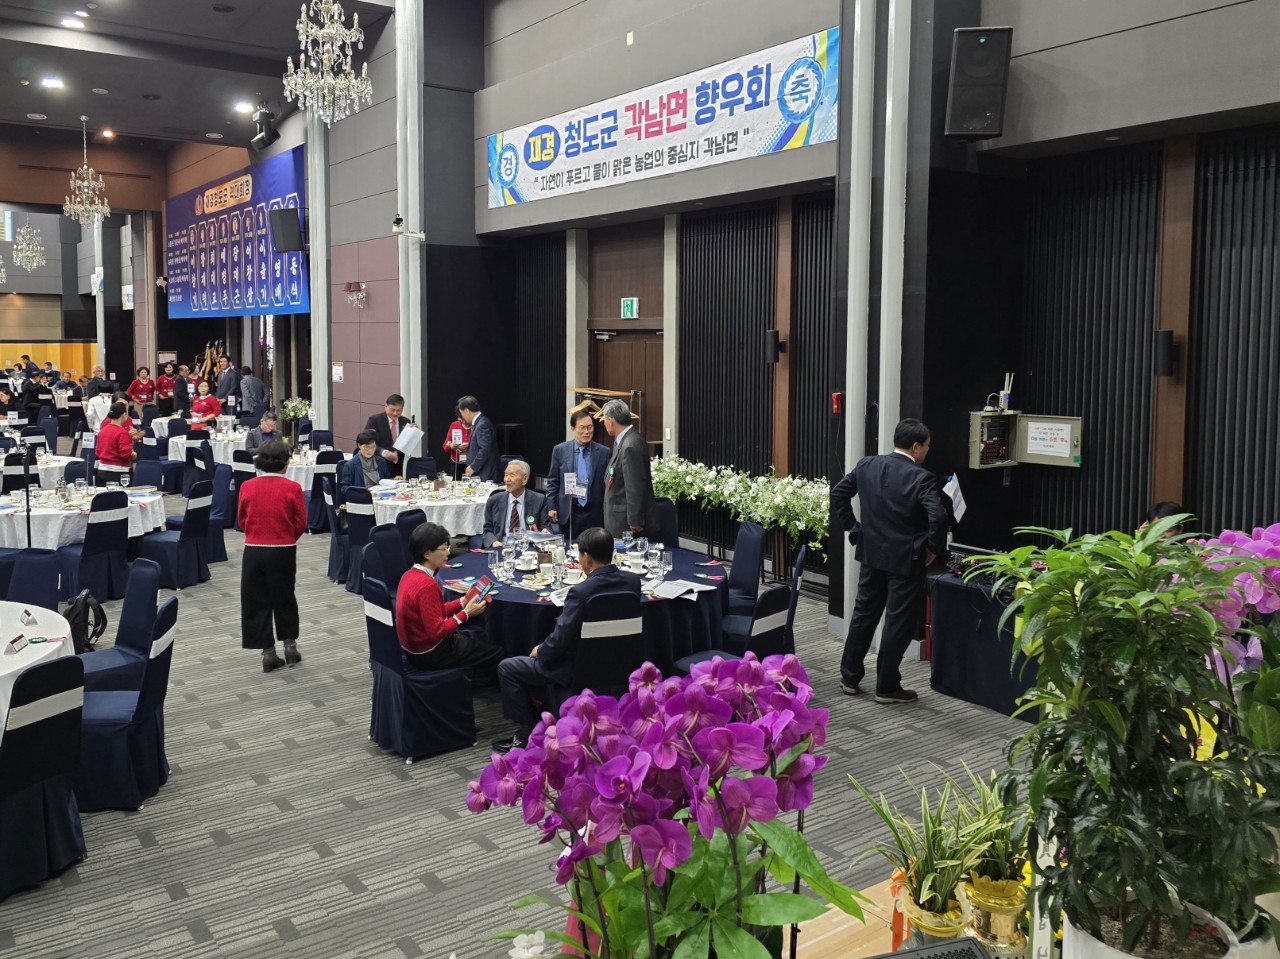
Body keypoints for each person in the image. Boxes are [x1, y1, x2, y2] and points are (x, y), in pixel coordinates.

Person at [832, 418, 950, 705]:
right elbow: (939, 516)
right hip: (907, 560)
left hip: (871, 554)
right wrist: (933, 548)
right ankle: (886, 686)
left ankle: (849, 677)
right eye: (927, 446)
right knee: (897, 621)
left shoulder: (867, 465)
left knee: (864, 614)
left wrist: (855, 529)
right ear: (916, 446)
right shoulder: (922, 478)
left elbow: (839, 494)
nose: (928, 451)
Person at [492, 526, 642, 752]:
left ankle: (526, 733)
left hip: (577, 668)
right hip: (622, 664)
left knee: (507, 668)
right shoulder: (632, 582)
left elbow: (560, 640)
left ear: (586, 557)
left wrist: (541, 650)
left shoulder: (581, 592)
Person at [237, 439, 308, 673]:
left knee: (255, 600)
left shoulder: (247, 486)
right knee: (285, 596)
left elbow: (242, 520)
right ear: (285, 463)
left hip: (254, 549)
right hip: (283, 549)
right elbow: (301, 522)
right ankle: (290, 646)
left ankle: (268, 653)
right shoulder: (293, 488)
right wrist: (287, 536)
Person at [395, 521, 500, 672]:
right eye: (444, 549)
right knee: (496, 652)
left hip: (413, 649)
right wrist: (466, 613)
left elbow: (432, 613)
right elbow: (437, 632)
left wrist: (464, 601)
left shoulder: (408, 575)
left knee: (477, 643)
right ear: (427, 554)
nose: (448, 553)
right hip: (430, 653)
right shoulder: (427, 585)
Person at [545, 409, 609, 538]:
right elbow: (553, 481)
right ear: (573, 429)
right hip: (569, 510)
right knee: (568, 546)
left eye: (590, 427)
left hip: (594, 511)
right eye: (582, 428)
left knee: (593, 546)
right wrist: (552, 506)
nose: (586, 432)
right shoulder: (560, 450)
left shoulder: (604, 452)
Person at [601, 399, 655, 538]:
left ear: (610, 421)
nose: (604, 423)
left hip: (626, 523)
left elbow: (635, 486)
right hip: (617, 518)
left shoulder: (630, 445)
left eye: (604, 420)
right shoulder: (623, 441)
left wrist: (635, 520)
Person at [482, 459, 549, 548]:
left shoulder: (539, 500)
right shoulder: (494, 500)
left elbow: (546, 527)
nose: (506, 480)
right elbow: (487, 530)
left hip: (528, 548)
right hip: (502, 546)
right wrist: (494, 542)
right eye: (506, 475)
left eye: (512, 475)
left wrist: (545, 531)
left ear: (525, 479)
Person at [363, 394, 411, 478]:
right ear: (385, 407)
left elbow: (407, 443)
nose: (395, 413)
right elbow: (367, 441)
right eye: (392, 410)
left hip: (398, 466)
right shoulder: (375, 420)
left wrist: (413, 432)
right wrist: (384, 452)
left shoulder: (405, 422)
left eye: (399, 410)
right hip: (379, 465)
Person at [95, 400, 140, 485]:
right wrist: (134, 454)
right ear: (123, 415)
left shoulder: (102, 431)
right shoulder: (122, 432)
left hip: (102, 469)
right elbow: (125, 454)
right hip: (118, 471)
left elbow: (98, 452)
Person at [458, 395, 500, 483]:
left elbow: (485, 449)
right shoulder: (479, 422)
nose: (461, 416)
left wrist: (473, 467)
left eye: (461, 412)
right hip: (482, 472)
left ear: (466, 411)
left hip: (486, 473)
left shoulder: (482, 424)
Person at [340, 429, 390, 498]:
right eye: (366, 448)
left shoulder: (381, 462)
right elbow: (344, 488)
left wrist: (394, 480)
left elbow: (386, 481)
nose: (370, 451)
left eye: (373, 447)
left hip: (380, 497)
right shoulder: (350, 465)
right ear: (359, 445)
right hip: (361, 500)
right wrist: (359, 493)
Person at [441, 407, 470, 473]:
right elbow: (446, 446)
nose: (463, 422)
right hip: (456, 463)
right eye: (461, 419)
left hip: (472, 463)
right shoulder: (454, 425)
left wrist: (469, 445)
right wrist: (451, 445)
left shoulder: (476, 426)